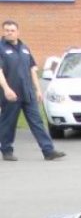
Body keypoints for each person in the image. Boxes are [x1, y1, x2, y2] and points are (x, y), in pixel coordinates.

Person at [0, 19, 65, 162]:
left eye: (12, 30)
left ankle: (48, 151)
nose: (9, 33)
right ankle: (6, 150)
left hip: (27, 92)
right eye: (6, 30)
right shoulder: (1, 48)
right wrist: (6, 89)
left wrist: (37, 90)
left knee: (37, 122)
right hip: (11, 94)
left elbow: (32, 70)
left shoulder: (25, 48)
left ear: (18, 32)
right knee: (8, 123)